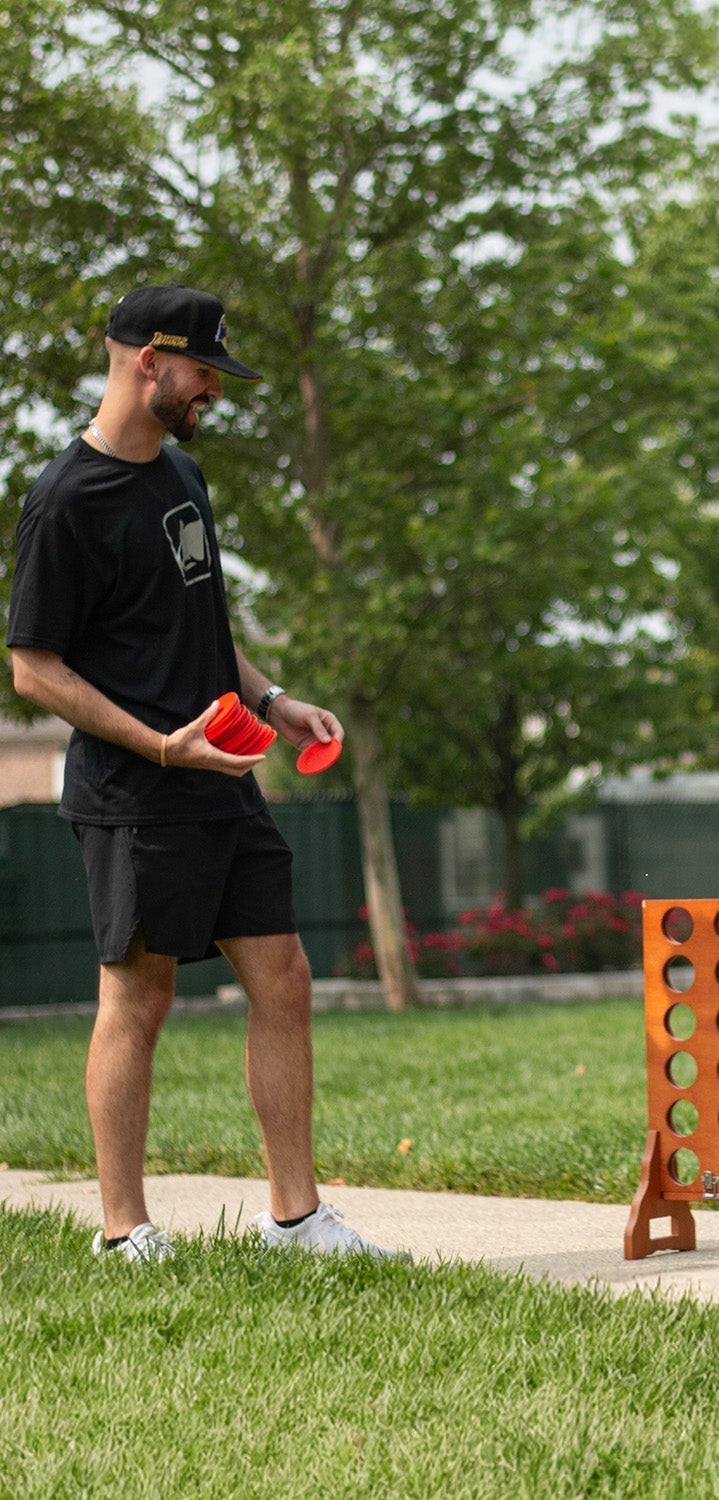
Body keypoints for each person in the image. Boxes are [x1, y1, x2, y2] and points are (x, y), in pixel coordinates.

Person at [7, 285, 407, 1263]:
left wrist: (275, 701)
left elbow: (203, 628)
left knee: (285, 978)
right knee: (138, 1000)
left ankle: (297, 1218)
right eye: (203, 373)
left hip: (223, 774)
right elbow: (34, 667)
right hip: (133, 795)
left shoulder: (181, 476)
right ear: (149, 361)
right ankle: (122, 1230)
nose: (214, 394)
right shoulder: (67, 502)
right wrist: (156, 744)